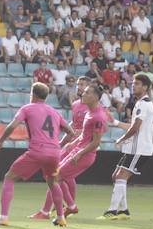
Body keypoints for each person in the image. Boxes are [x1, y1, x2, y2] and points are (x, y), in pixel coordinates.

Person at [0, 82, 74, 227]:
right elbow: (71, 132)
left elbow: (12, 126)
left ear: (32, 94)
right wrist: (58, 145)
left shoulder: (27, 108)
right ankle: (60, 217)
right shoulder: (54, 112)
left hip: (37, 150)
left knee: (9, 177)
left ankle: (3, 217)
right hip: (54, 153)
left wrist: (0, 142)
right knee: (53, 182)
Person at [33, 83, 108, 220]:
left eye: (86, 92)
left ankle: (66, 207)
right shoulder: (89, 112)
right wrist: (72, 144)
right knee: (54, 176)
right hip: (77, 150)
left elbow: (96, 142)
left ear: (95, 97)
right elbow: (85, 135)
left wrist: (79, 153)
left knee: (54, 177)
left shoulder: (98, 116)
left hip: (85, 155)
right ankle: (69, 207)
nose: (82, 94)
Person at [101, 74, 153, 220]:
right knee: (116, 176)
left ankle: (112, 211)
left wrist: (121, 139)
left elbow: (135, 128)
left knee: (120, 176)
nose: (133, 85)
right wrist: (115, 122)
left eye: (137, 83)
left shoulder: (144, 104)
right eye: (133, 83)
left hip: (140, 148)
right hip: (134, 148)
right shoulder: (140, 103)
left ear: (145, 87)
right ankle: (124, 210)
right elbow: (133, 125)